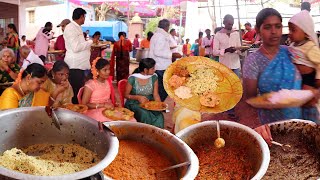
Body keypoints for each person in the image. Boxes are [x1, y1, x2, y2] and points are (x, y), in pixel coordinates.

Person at [242, 8, 320, 145]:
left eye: (278, 26)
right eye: (267, 27)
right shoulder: (253, 61)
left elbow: (311, 73)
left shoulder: (292, 52)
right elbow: (249, 99)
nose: (274, 32)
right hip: (273, 125)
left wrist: (313, 91)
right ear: (258, 30)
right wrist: (258, 125)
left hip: (301, 119)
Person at [64, 8, 96, 104]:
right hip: (75, 65)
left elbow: (80, 45)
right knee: (75, 91)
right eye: (84, 17)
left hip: (80, 65)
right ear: (81, 16)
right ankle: (74, 112)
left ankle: (77, 110)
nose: (84, 19)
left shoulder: (77, 27)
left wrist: (87, 45)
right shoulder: (70, 28)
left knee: (78, 90)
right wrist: (90, 42)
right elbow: (76, 47)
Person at [213, 14, 242, 119]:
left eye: (232, 23)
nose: (231, 25)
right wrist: (225, 50)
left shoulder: (236, 34)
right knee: (227, 87)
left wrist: (239, 50)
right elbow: (214, 52)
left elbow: (239, 49)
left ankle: (232, 107)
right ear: (224, 23)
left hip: (235, 63)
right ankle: (229, 109)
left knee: (235, 88)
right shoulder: (218, 35)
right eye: (229, 23)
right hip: (225, 65)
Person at [124, 58, 164, 128]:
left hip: (149, 103)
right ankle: (146, 134)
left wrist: (159, 106)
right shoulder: (133, 78)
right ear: (145, 70)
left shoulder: (154, 77)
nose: (154, 70)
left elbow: (155, 94)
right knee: (144, 114)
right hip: (134, 103)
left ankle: (156, 135)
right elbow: (126, 95)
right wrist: (138, 97)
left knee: (159, 115)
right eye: (152, 68)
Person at [149, 19, 182, 102]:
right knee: (165, 88)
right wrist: (172, 55)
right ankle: (157, 105)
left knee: (162, 88)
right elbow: (157, 52)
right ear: (167, 27)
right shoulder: (160, 36)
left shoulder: (159, 35)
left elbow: (161, 49)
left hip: (160, 65)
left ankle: (158, 105)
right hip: (160, 66)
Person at [288, 10, 320, 88]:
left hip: (307, 79)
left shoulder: (310, 47)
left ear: (306, 33)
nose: (290, 33)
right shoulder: (292, 45)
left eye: (293, 30)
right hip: (295, 77)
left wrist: (318, 78)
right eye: (289, 30)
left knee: (307, 96)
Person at [82, 58, 118, 122]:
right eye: (105, 70)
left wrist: (118, 101)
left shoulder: (108, 81)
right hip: (94, 111)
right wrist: (103, 105)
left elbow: (115, 94)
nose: (108, 72)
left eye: (109, 69)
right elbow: (84, 104)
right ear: (97, 71)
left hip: (108, 109)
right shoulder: (90, 85)